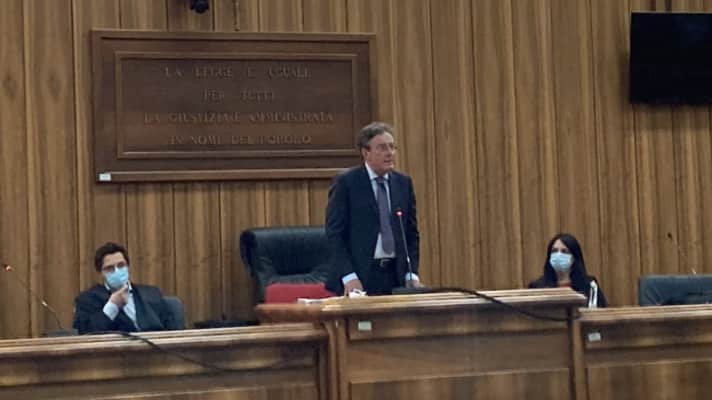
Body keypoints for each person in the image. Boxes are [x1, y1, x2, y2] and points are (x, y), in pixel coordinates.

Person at [325, 122, 422, 295]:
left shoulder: (403, 183)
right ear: (366, 153)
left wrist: (411, 273)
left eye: (392, 147)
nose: (390, 153)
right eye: (382, 148)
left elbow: (411, 233)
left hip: (396, 276)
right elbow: (335, 235)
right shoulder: (347, 183)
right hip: (359, 276)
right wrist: (348, 276)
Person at [73, 242, 177, 334]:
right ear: (101, 272)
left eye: (121, 265)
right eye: (109, 268)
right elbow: (86, 333)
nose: (117, 271)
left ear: (128, 266)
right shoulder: (87, 300)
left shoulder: (152, 293)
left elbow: (172, 331)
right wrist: (112, 306)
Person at [529, 233, 608, 307]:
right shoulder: (537, 287)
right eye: (554, 251)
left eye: (564, 251)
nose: (558, 255)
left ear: (574, 258)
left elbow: (596, 312)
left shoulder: (589, 286)